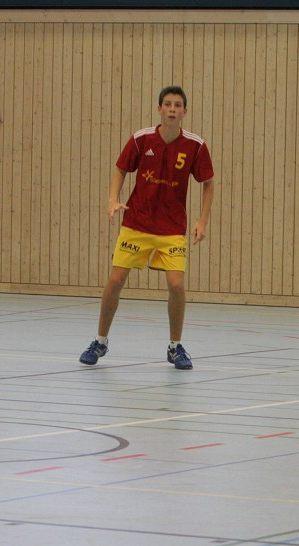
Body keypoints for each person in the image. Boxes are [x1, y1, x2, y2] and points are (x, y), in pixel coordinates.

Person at [79, 85, 215, 370]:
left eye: (178, 105)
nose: (172, 109)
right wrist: (113, 200)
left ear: (185, 112)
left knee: (176, 285)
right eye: (168, 104)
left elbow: (207, 183)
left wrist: (202, 221)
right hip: (137, 223)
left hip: (172, 228)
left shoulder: (195, 145)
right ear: (159, 109)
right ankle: (100, 341)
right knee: (115, 280)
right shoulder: (141, 140)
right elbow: (120, 169)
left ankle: (175, 348)